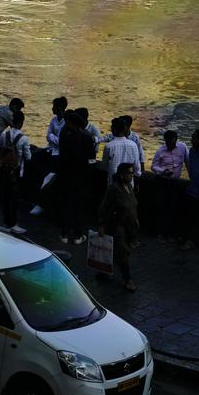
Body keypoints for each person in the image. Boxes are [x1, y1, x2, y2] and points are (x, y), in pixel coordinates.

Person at [98, 161, 141, 291]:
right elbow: (104, 207)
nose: (131, 175)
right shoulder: (114, 189)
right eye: (129, 173)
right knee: (122, 253)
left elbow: (132, 206)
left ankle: (104, 271)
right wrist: (101, 224)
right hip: (118, 226)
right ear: (122, 174)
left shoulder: (129, 187)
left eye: (132, 173)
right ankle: (128, 280)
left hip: (129, 226)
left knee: (118, 251)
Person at [58, 109, 95, 244]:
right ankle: (78, 235)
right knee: (79, 206)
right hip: (81, 177)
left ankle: (65, 234)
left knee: (66, 205)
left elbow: (62, 156)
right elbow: (91, 159)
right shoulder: (87, 137)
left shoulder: (65, 136)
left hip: (66, 176)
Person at [0, 109, 30, 234]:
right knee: (14, 199)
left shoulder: (3, 135)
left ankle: (6, 222)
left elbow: (1, 149)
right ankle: (14, 224)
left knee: (6, 198)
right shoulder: (23, 139)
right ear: (21, 122)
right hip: (17, 173)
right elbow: (28, 157)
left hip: (4, 171)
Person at [102, 117, 142, 185]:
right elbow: (137, 168)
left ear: (114, 129)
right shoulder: (133, 145)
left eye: (111, 127)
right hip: (128, 184)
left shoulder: (109, 146)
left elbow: (105, 167)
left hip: (113, 183)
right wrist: (137, 183)